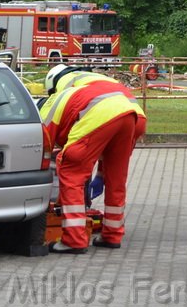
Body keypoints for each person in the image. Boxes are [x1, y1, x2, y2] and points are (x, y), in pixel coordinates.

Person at [39, 64, 146, 254]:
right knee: (116, 177)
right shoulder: (93, 81)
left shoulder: (56, 99)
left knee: (70, 170)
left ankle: (74, 240)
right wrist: (101, 175)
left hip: (102, 114)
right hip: (134, 116)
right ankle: (112, 235)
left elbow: (43, 142)